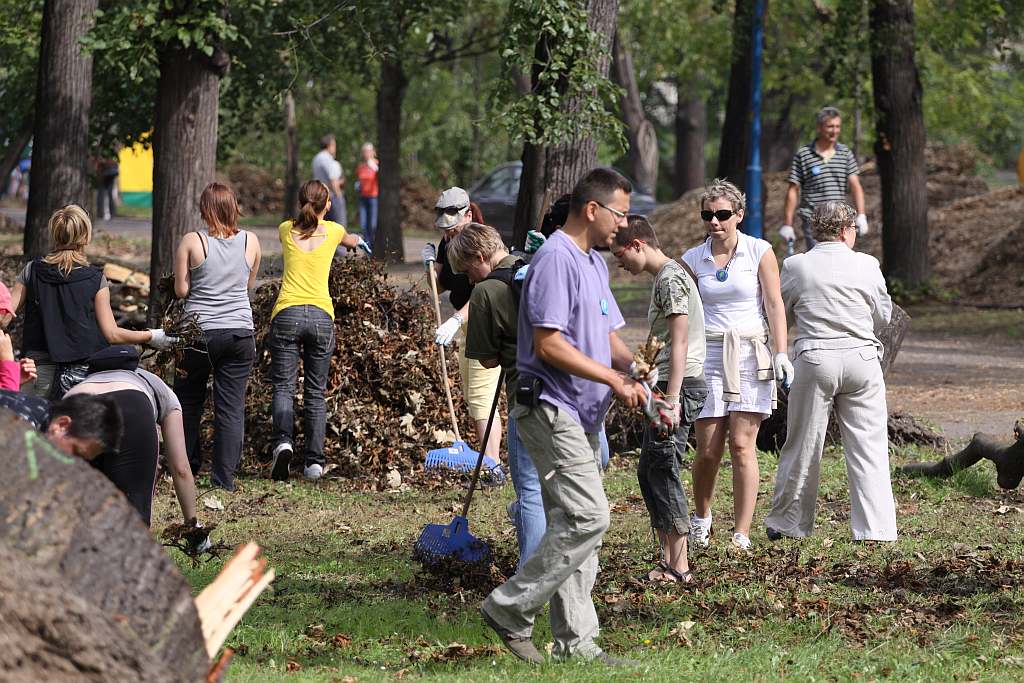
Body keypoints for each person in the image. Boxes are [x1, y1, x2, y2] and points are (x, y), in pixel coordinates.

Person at [480, 168, 648, 667]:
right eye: (619, 213)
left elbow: (606, 329)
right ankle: (509, 608)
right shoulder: (555, 258)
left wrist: (632, 365)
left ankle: (577, 644)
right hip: (552, 407)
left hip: (582, 413)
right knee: (588, 516)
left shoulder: (593, 262)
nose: (624, 224)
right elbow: (548, 343)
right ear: (592, 209)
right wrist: (613, 380)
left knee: (574, 523)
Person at [765, 201, 897, 542]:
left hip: (816, 359)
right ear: (845, 230)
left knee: (804, 444)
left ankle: (789, 523)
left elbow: (782, 312)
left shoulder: (796, 265)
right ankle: (875, 529)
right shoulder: (868, 264)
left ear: (815, 229)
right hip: (862, 360)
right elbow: (883, 316)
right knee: (868, 446)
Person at [681, 179, 791, 551]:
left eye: (723, 214)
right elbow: (682, 311)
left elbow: (774, 304)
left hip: (749, 353)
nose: (715, 222)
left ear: (739, 215)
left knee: (743, 445)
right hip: (709, 354)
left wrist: (781, 352)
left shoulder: (759, 251)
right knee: (708, 448)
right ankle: (701, 517)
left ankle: (741, 532)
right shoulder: (693, 259)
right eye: (708, 215)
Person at [612, 215, 707, 583]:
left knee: (663, 468)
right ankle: (669, 559)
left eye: (621, 254)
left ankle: (680, 566)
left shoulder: (670, 277)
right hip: (666, 383)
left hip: (678, 387)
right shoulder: (663, 278)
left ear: (638, 244)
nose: (618, 263)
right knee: (649, 468)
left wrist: (670, 397)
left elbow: (680, 340)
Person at [447, 222, 542, 570]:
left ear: (481, 256)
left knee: (529, 489)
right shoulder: (537, 266)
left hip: (525, 394)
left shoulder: (485, 292)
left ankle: (529, 573)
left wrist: (502, 347)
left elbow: (486, 360)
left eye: (468, 270)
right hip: (567, 389)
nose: (469, 280)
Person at [9, 205, 173, 399]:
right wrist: (152, 336)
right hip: (82, 373)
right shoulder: (95, 278)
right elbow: (112, 334)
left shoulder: (31, 271)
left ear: (54, 233)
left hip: (36, 369)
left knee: (33, 425)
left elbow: (4, 315)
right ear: (85, 236)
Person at [268, 180, 371, 482]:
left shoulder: (285, 229)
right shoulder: (335, 231)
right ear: (327, 205)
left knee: (284, 387)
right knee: (315, 392)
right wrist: (360, 241)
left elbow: (305, 223)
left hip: (286, 313)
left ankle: (283, 443)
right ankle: (313, 463)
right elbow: (352, 241)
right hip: (321, 317)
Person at [173, 182, 261, 492]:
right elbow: (247, 285)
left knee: (188, 401)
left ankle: (186, 467)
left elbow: (182, 290)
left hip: (198, 333)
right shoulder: (251, 241)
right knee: (230, 406)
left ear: (205, 210)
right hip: (239, 333)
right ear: (233, 207)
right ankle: (224, 479)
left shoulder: (192, 241)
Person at [66, 345, 200, 527]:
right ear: (135, 366)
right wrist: (193, 526)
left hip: (77, 405)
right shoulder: (155, 383)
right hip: (133, 405)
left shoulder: (80, 383)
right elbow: (181, 468)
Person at [422, 188, 502, 463]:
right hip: (466, 325)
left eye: (453, 230)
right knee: (473, 396)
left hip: (484, 323)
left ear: (468, 215)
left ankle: (492, 464)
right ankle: (488, 461)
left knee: (482, 396)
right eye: (445, 231)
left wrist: (455, 320)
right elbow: (440, 286)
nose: (448, 236)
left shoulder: (482, 243)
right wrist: (430, 267)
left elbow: (484, 291)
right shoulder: (448, 243)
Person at [779, 106, 868, 251]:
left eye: (838, 126)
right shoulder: (804, 154)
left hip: (839, 218)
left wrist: (862, 215)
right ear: (819, 127)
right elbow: (793, 190)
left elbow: (855, 186)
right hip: (813, 219)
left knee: (841, 262)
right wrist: (787, 224)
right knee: (820, 262)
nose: (834, 131)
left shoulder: (845, 153)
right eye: (830, 126)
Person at [312, 134, 347, 227]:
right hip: (331, 196)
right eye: (334, 145)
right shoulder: (327, 158)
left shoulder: (316, 158)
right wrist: (339, 198)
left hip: (319, 196)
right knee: (340, 227)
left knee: (323, 226)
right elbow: (333, 180)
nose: (335, 148)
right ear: (329, 145)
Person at [355, 142, 379, 249]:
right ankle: (367, 247)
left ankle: (374, 247)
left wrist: (373, 165)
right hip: (363, 198)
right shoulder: (361, 166)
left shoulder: (376, 164)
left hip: (374, 197)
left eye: (369, 151)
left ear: (373, 152)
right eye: (364, 151)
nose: (366, 153)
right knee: (363, 225)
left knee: (373, 225)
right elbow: (359, 180)